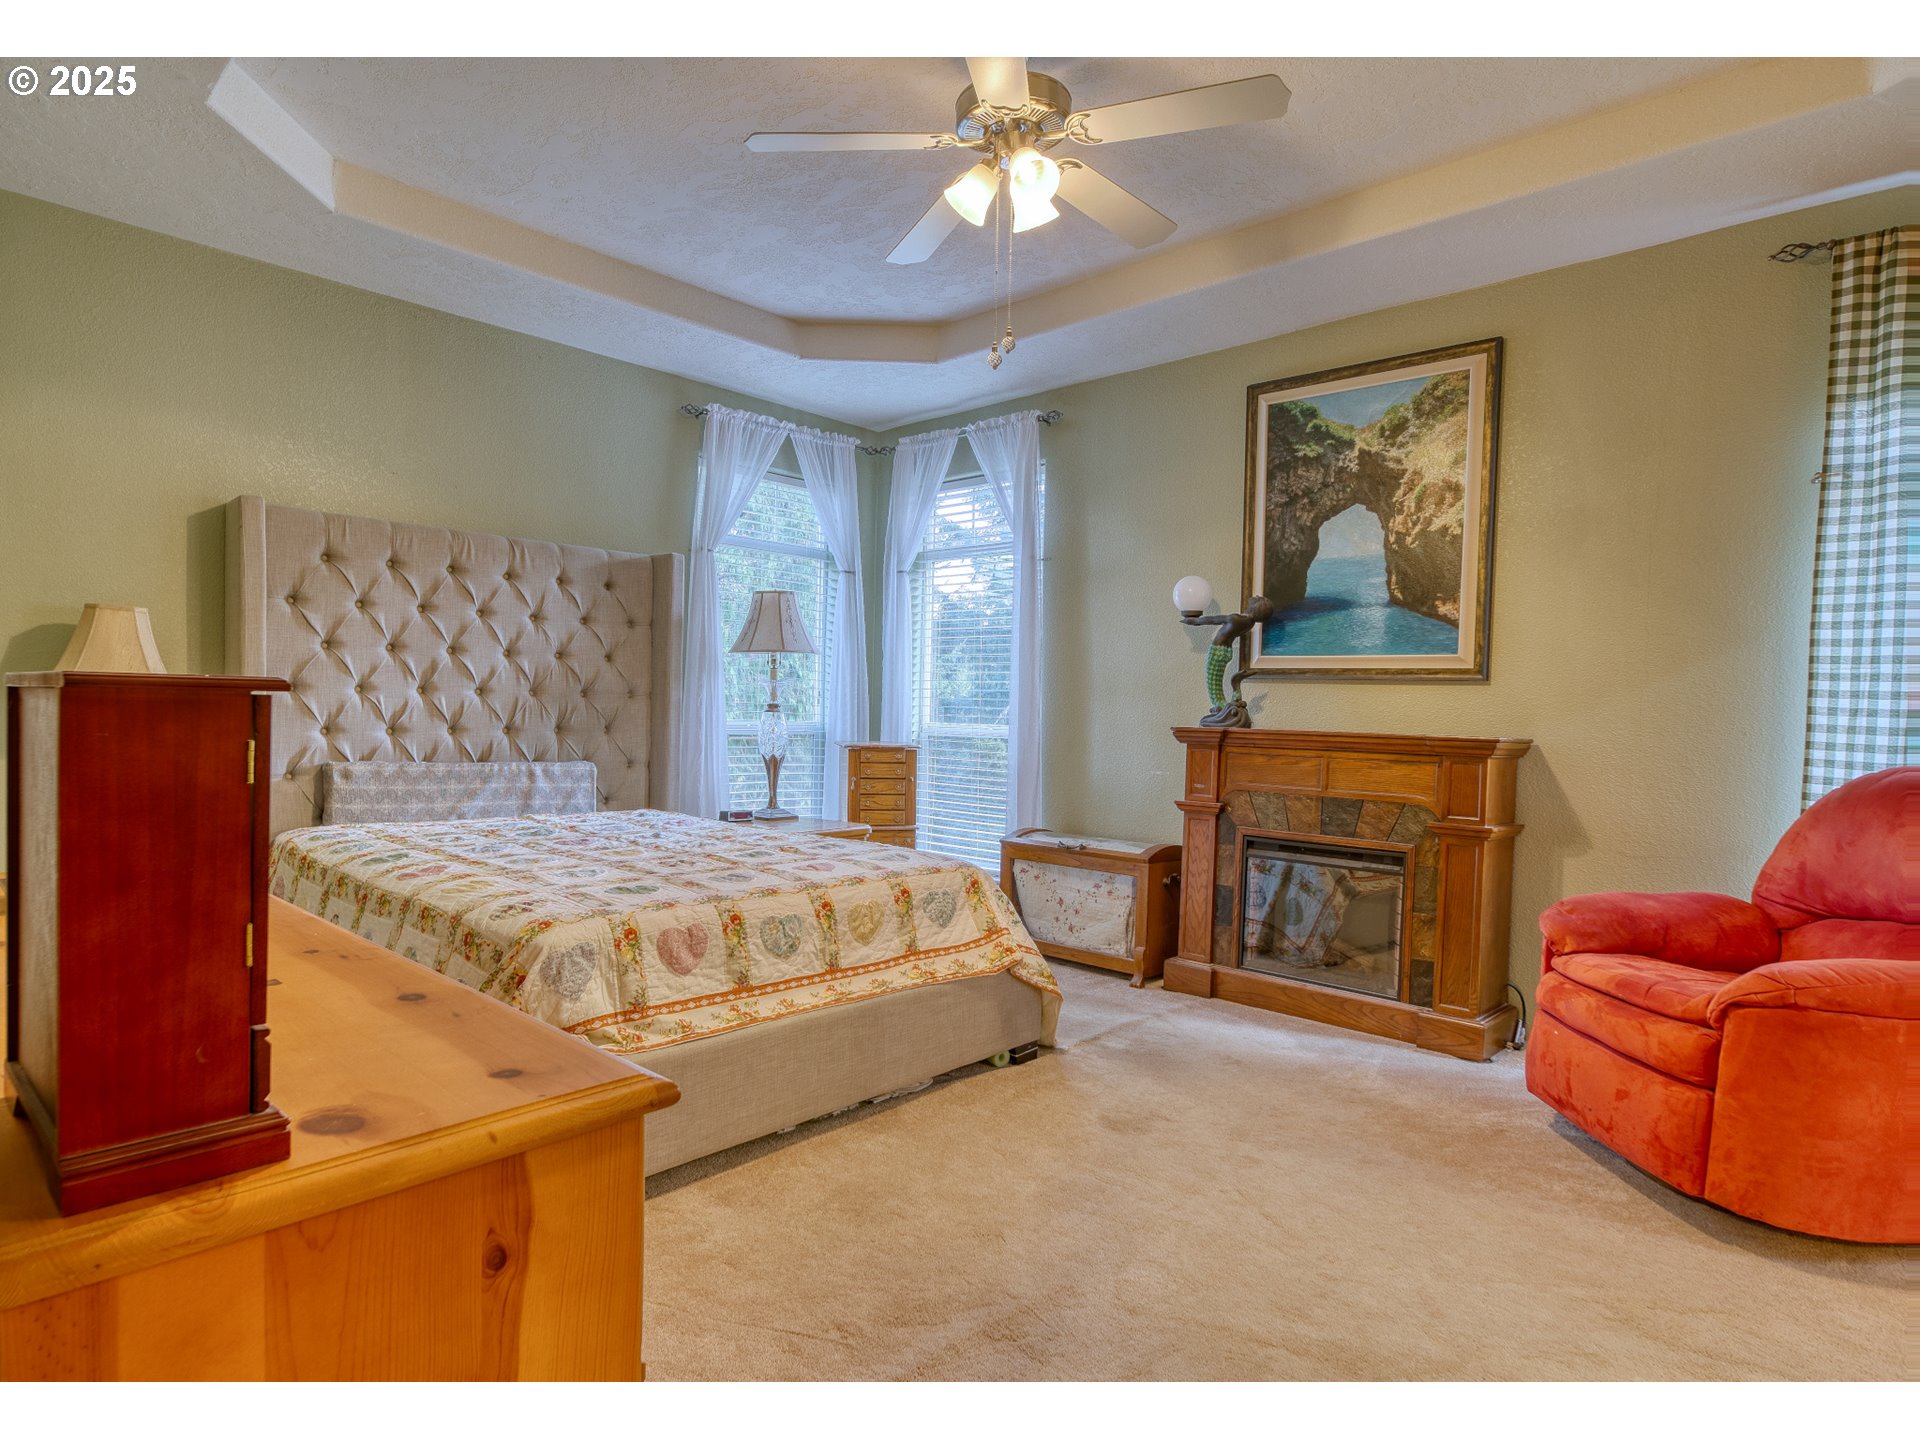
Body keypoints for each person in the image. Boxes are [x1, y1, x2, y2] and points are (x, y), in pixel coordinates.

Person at [1180, 595, 1275, 727]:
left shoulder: (1235, 618)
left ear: (1255, 608)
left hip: (1218, 651)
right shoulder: (1250, 623)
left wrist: (1194, 621)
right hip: (1226, 651)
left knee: (1213, 687)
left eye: (1258, 599)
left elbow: (1213, 619)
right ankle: (1229, 700)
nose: (1256, 596)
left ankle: (1221, 709)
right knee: (1215, 686)